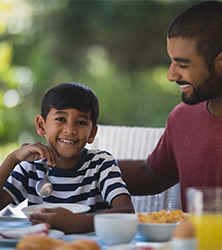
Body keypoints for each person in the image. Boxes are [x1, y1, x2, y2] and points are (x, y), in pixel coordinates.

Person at [118, 0, 222, 212]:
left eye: (183, 65)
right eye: (171, 61)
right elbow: (150, 175)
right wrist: (73, 164)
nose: (171, 75)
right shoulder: (183, 117)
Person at [0, 82, 134, 233]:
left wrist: (78, 223)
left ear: (92, 134)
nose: (70, 130)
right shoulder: (30, 167)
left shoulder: (101, 164)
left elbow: (127, 211)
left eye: (80, 122)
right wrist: (13, 158)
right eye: (61, 119)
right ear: (41, 125)